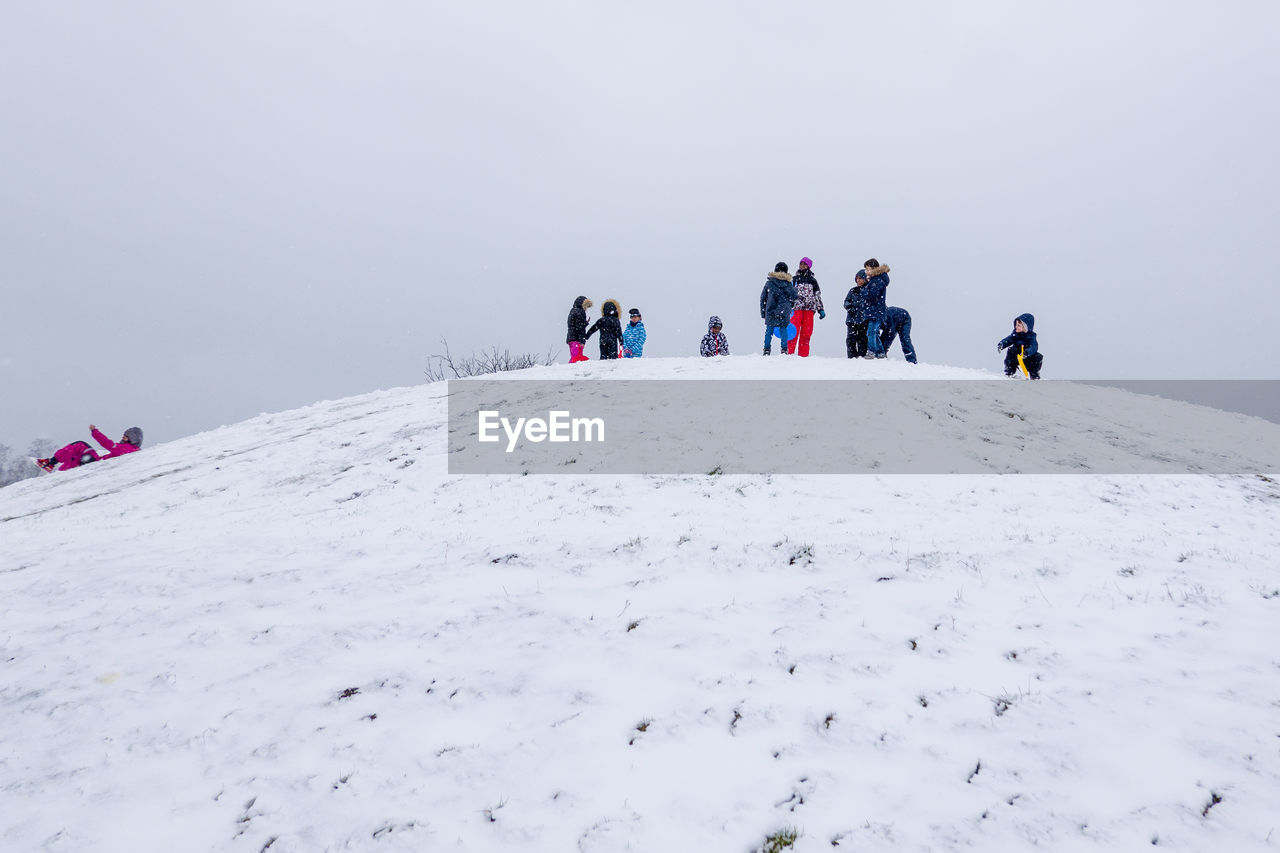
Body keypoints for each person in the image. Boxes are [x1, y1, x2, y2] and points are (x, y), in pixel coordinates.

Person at [36, 425, 143, 472]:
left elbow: (108, 444)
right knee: (79, 457)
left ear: (133, 439)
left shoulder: (127, 450)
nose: (122, 437)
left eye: (126, 436)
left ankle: (51, 463)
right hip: (97, 462)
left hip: (96, 462)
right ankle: (57, 469)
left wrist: (95, 432)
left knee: (80, 446)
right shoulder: (129, 450)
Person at [786, 257, 825, 357]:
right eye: (801, 264)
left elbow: (817, 295)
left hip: (809, 309)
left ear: (809, 266)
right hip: (796, 308)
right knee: (793, 332)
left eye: (804, 264)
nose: (802, 266)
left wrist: (820, 309)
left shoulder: (813, 281)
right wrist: (787, 306)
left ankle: (803, 356)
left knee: (806, 334)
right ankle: (788, 354)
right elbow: (789, 294)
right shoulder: (794, 279)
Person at [760, 262, 798, 355]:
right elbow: (794, 296)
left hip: (770, 309)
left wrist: (763, 312)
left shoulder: (769, 283)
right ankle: (784, 349)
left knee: (769, 330)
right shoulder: (788, 284)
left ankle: (766, 349)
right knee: (783, 329)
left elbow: (763, 298)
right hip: (784, 310)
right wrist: (790, 306)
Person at [997, 313, 1043, 379]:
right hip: (1016, 354)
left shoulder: (1031, 336)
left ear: (1025, 328)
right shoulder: (1015, 334)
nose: (1016, 326)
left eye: (1018, 325)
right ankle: (1009, 372)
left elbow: (1034, 347)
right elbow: (1009, 340)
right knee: (1011, 351)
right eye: (1016, 325)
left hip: (1026, 356)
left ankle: (1034, 376)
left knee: (1037, 357)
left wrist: (1027, 352)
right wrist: (1002, 344)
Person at [861, 259, 890, 359]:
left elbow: (872, 295)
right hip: (875, 311)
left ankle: (871, 351)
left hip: (876, 311)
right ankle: (881, 353)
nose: (866, 272)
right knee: (874, 332)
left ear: (874, 269)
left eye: (868, 269)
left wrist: (863, 292)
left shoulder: (877, 280)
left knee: (871, 332)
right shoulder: (875, 280)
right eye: (866, 270)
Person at [843, 270, 869, 359]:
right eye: (857, 278)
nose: (858, 280)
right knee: (851, 339)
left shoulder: (868, 291)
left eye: (860, 278)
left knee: (862, 339)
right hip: (852, 319)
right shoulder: (853, 290)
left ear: (866, 279)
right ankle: (852, 357)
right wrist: (850, 308)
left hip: (863, 320)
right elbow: (846, 301)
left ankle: (862, 356)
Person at [567, 296, 594, 363]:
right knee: (577, 358)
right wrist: (582, 341)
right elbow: (580, 328)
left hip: (570, 338)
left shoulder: (572, 310)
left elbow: (572, 325)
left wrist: (584, 323)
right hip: (577, 339)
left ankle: (570, 368)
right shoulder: (581, 312)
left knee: (574, 356)